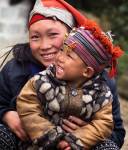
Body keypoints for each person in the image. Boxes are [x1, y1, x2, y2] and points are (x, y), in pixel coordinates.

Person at [0, 0, 125, 149]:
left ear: (71, 34)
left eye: (52, 35)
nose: (44, 46)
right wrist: (6, 115)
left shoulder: (102, 84)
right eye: (35, 37)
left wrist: (89, 132)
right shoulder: (15, 70)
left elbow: (117, 133)